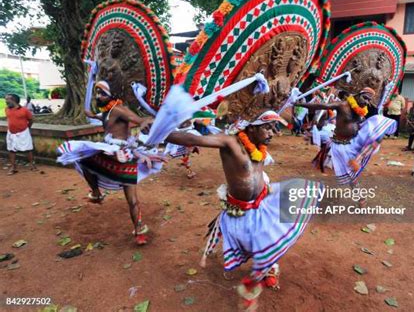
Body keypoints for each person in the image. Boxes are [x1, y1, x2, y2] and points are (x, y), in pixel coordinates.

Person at [166, 110, 323, 310]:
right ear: (251, 127)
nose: (272, 132)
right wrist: (162, 132)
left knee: (274, 236)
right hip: (238, 210)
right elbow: (192, 138)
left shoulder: (260, 147)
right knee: (253, 243)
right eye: (267, 127)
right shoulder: (230, 143)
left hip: (263, 203)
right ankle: (261, 270)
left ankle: (268, 268)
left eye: (274, 128)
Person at [57, 81, 165, 245]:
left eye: (102, 93)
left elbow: (137, 119)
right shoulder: (107, 112)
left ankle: (139, 230)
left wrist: (144, 123)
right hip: (110, 154)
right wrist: (92, 115)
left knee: (132, 200)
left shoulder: (119, 110)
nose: (98, 96)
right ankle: (96, 193)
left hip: (123, 156)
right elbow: (101, 117)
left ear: (112, 95)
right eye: (97, 93)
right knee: (84, 159)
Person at [295, 88, 397, 206]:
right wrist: (299, 103)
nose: (366, 102)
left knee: (349, 171)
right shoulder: (342, 105)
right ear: (359, 94)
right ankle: (358, 196)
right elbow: (321, 105)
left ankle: (356, 195)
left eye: (369, 100)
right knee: (347, 172)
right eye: (365, 98)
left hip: (354, 142)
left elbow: (358, 124)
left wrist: (371, 133)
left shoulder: (361, 111)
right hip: (341, 143)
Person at [4, 93, 37, 175]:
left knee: (28, 149)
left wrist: (27, 128)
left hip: (23, 132)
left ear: (13, 100)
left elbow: (31, 119)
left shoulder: (24, 110)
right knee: (11, 150)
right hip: (11, 133)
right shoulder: (6, 109)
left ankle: (32, 165)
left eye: (8, 99)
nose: (6, 101)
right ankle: (13, 167)